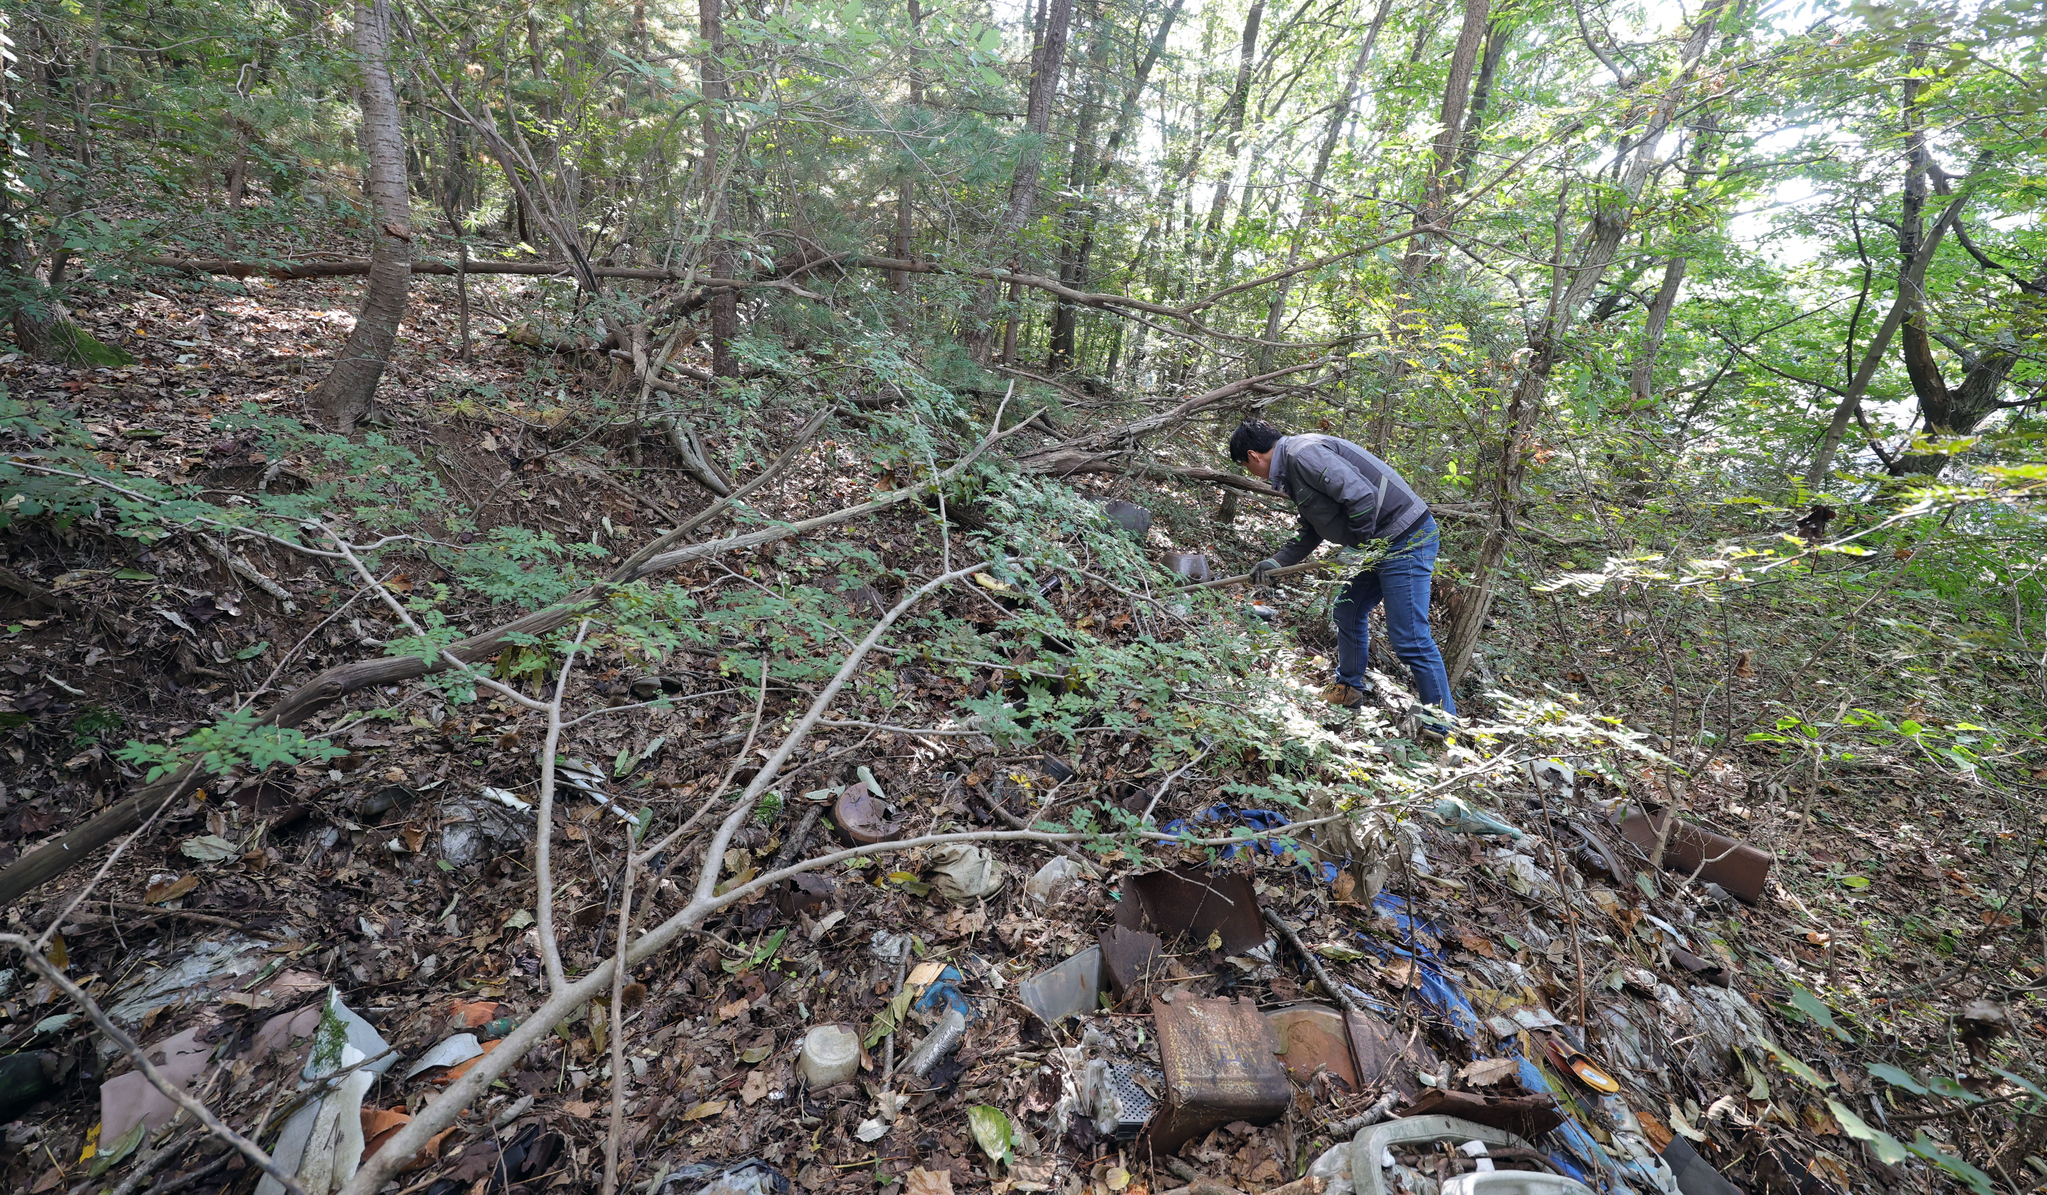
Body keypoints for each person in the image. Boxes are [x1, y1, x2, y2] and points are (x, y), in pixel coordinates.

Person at [1227, 419, 1456, 735]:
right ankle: (1348, 690)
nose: (1251, 474)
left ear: (1254, 455)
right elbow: (1312, 527)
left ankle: (1441, 724)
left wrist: (1354, 549)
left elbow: (1362, 497)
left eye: (1245, 467)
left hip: (1405, 538)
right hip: (1380, 541)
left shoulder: (1302, 454)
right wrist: (1275, 563)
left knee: (1409, 638)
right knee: (1347, 610)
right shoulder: (1293, 464)